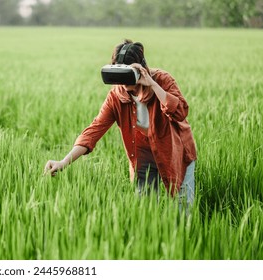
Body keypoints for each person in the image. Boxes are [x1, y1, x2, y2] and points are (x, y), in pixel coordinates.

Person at [43, 39, 197, 209]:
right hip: (143, 154)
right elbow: (94, 130)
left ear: (141, 68)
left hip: (175, 150)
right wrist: (63, 162)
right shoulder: (116, 96)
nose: (123, 82)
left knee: (183, 210)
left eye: (127, 74)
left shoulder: (162, 79)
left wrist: (152, 85)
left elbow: (180, 113)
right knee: (145, 211)